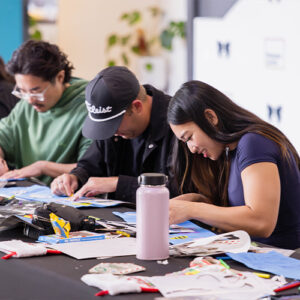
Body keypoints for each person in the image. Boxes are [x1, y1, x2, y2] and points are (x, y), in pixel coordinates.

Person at [167, 80, 300, 249]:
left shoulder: (254, 143)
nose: (191, 149)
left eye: (189, 137)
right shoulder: (230, 150)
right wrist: (199, 200)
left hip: (286, 260)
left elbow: (262, 222)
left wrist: (192, 209)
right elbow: (241, 209)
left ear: (210, 117)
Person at [51, 66, 175, 202]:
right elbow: (90, 165)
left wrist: (118, 184)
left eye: (113, 125)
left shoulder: (177, 125)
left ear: (137, 107)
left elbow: (180, 190)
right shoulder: (112, 124)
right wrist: (74, 178)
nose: (112, 133)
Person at [0, 40, 92, 185]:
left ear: (60, 77)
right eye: (22, 91)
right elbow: (3, 136)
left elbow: (93, 168)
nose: (30, 100)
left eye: (36, 91)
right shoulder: (26, 105)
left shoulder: (88, 105)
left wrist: (43, 167)